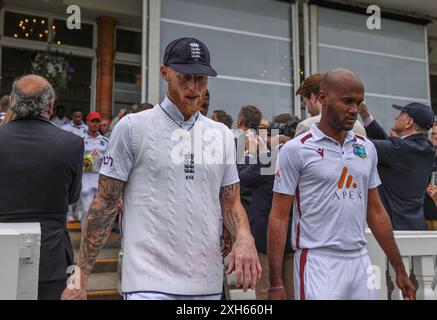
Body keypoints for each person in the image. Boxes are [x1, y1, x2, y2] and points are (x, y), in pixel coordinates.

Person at [62, 37, 261, 301]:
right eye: (185, 78)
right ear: (165, 72)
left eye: (200, 79)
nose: (193, 87)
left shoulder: (222, 134)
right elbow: (104, 205)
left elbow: (231, 201)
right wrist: (79, 278)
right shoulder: (133, 128)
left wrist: (244, 237)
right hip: (147, 283)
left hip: (207, 284)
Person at [267, 68, 415, 300]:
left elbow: (376, 211)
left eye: (358, 102)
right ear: (323, 98)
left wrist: (399, 268)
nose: (354, 109)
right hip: (317, 261)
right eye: (347, 102)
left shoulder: (366, 148)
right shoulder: (295, 150)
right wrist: (275, 284)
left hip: (359, 260)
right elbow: (278, 217)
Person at [0, 75, 84, 300]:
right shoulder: (71, 144)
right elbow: (72, 196)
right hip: (52, 255)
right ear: (50, 105)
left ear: (12, 103)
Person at [238, 113, 298, 300]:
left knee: (266, 292)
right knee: (291, 291)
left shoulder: (269, 158)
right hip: (293, 237)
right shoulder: (301, 155)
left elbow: (241, 179)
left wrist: (248, 152)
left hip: (266, 239)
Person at [360, 102, 435, 230]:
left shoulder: (400, 149)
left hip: (394, 230)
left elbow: (365, 146)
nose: (396, 118)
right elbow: (389, 146)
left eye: (401, 114)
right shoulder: (426, 149)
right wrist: (365, 114)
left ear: (409, 122)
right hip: (416, 227)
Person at [295, 73, 366, 137]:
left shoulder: (306, 126)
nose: (308, 110)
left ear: (313, 97)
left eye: (306, 103)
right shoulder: (359, 127)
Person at [79, 112, 109, 225]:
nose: (95, 124)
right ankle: (85, 239)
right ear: (87, 122)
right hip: (85, 177)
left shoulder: (105, 141)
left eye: (97, 121)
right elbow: (75, 159)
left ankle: (95, 241)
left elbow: (109, 160)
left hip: (100, 178)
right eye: (92, 121)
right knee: (86, 210)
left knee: (100, 212)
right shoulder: (81, 140)